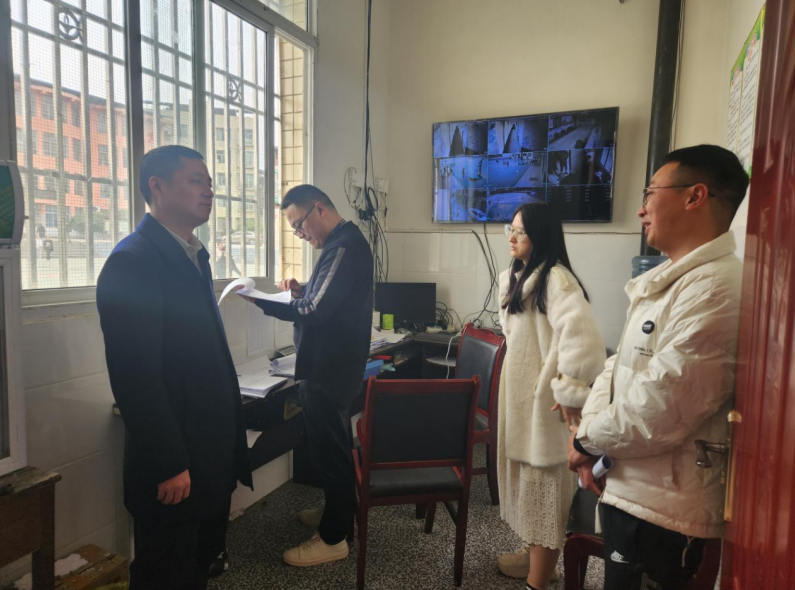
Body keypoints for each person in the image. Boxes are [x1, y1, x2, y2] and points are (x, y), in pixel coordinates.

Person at [568, 144, 750, 590]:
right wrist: (589, 438)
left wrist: (585, 441)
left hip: (665, 509)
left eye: (650, 193)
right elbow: (616, 369)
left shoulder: (717, 288)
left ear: (695, 196)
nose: (641, 209)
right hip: (634, 485)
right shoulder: (670, 280)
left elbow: (662, 404)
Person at [96, 145, 252, 590]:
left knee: (199, 563)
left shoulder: (192, 254)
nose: (209, 192)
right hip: (176, 462)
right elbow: (134, 376)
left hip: (208, 451)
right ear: (157, 187)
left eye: (210, 183)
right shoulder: (133, 261)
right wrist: (168, 463)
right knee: (166, 571)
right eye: (196, 181)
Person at [242, 184, 373, 567]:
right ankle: (338, 512)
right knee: (332, 448)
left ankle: (333, 539)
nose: (300, 234)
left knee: (332, 454)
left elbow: (314, 310)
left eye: (299, 225)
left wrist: (262, 302)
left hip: (328, 370)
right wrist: (301, 290)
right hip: (331, 367)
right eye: (295, 230)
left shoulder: (343, 246)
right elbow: (322, 299)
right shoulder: (340, 244)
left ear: (319, 209)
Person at [497, 202, 606, 590]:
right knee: (529, 493)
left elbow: (584, 341)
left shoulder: (557, 279)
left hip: (546, 406)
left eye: (521, 232)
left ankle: (537, 581)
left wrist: (570, 389)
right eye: (510, 229)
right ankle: (539, 561)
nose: (512, 237)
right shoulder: (517, 277)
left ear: (540, 236)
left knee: (544, 494)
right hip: (521, 400)